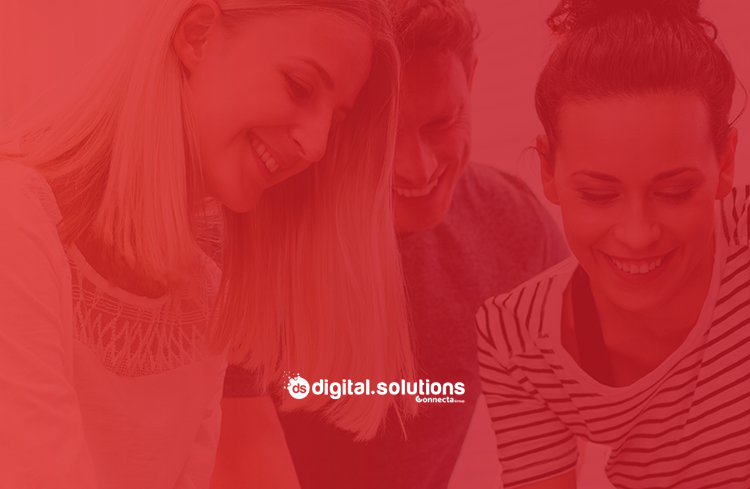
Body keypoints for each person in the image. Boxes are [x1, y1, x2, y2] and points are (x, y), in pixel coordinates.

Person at [0, 1, 416, 488]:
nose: (317, 145)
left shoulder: (204, 297)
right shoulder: (16, 221)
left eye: (336, 120)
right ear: (197, 35)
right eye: (300, 86)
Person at [215, 1, 569, 488]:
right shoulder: (248, 237)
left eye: (442, 122)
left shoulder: (513, 226)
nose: (419, 169)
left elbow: (558, 429)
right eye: (385, 138)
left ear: (471, 76)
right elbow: (240, 458)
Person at [476, 0, 748, 487]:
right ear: (547, 170)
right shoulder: (517, 338)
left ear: (725, 162)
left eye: (674, 191)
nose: (637, 234)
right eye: (599, 195)